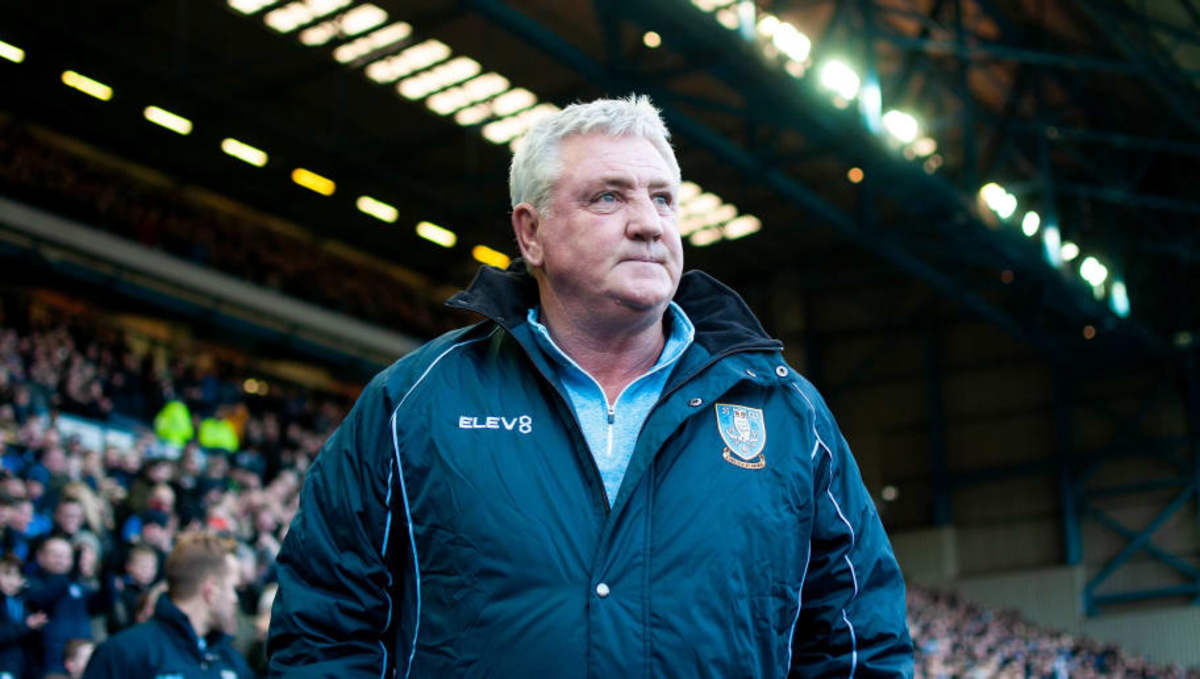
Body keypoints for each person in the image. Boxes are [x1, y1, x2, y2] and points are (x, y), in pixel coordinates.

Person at [268, 95, 913, 677]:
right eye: (609, 197)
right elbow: (322, 632)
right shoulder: (413, 404)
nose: (648, 223)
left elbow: (860, 644)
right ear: (531, 233)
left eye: (663, 199)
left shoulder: (787, 412)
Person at [81, 532, 253, 678]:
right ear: (211, 590)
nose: (235, 599)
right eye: (233, 588)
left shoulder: (232, 662)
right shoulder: (124, 654)